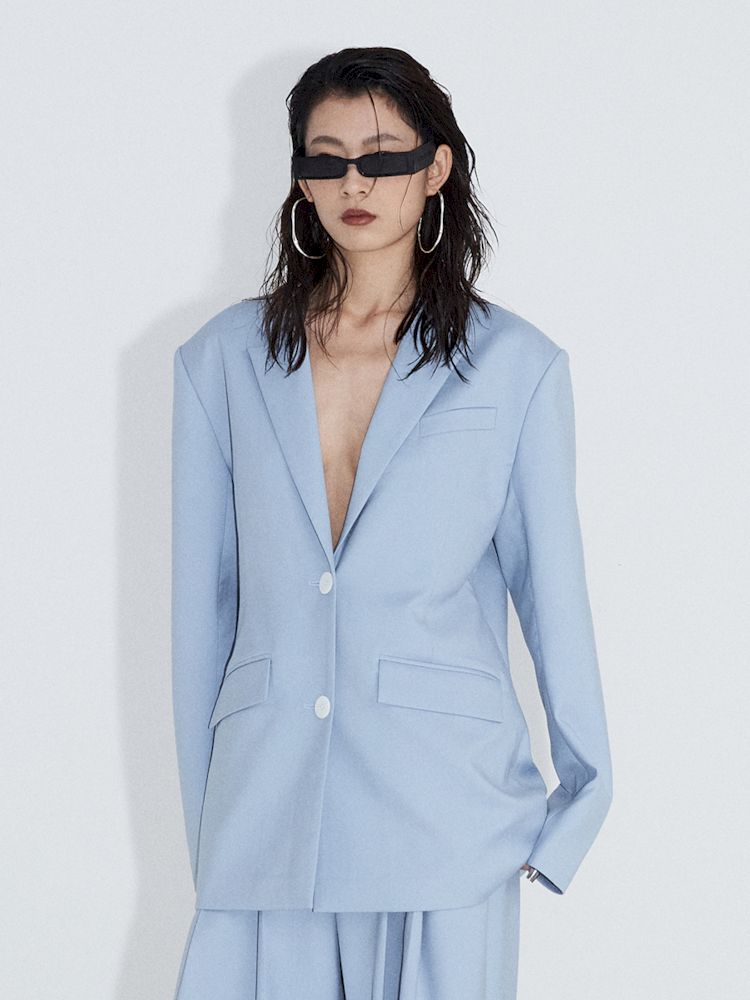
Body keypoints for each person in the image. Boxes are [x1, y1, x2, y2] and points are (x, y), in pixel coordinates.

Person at [171, 46, 613, 1000]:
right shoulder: (219, 363)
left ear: (436, 168)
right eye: (326, 159)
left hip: (447, 817)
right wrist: (212, 823)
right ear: (301, 180)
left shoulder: (515, 367)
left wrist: (582, 801)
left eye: (382, 155)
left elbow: (553, 594)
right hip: (268, 815)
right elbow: (202, 611)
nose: (355, 183)